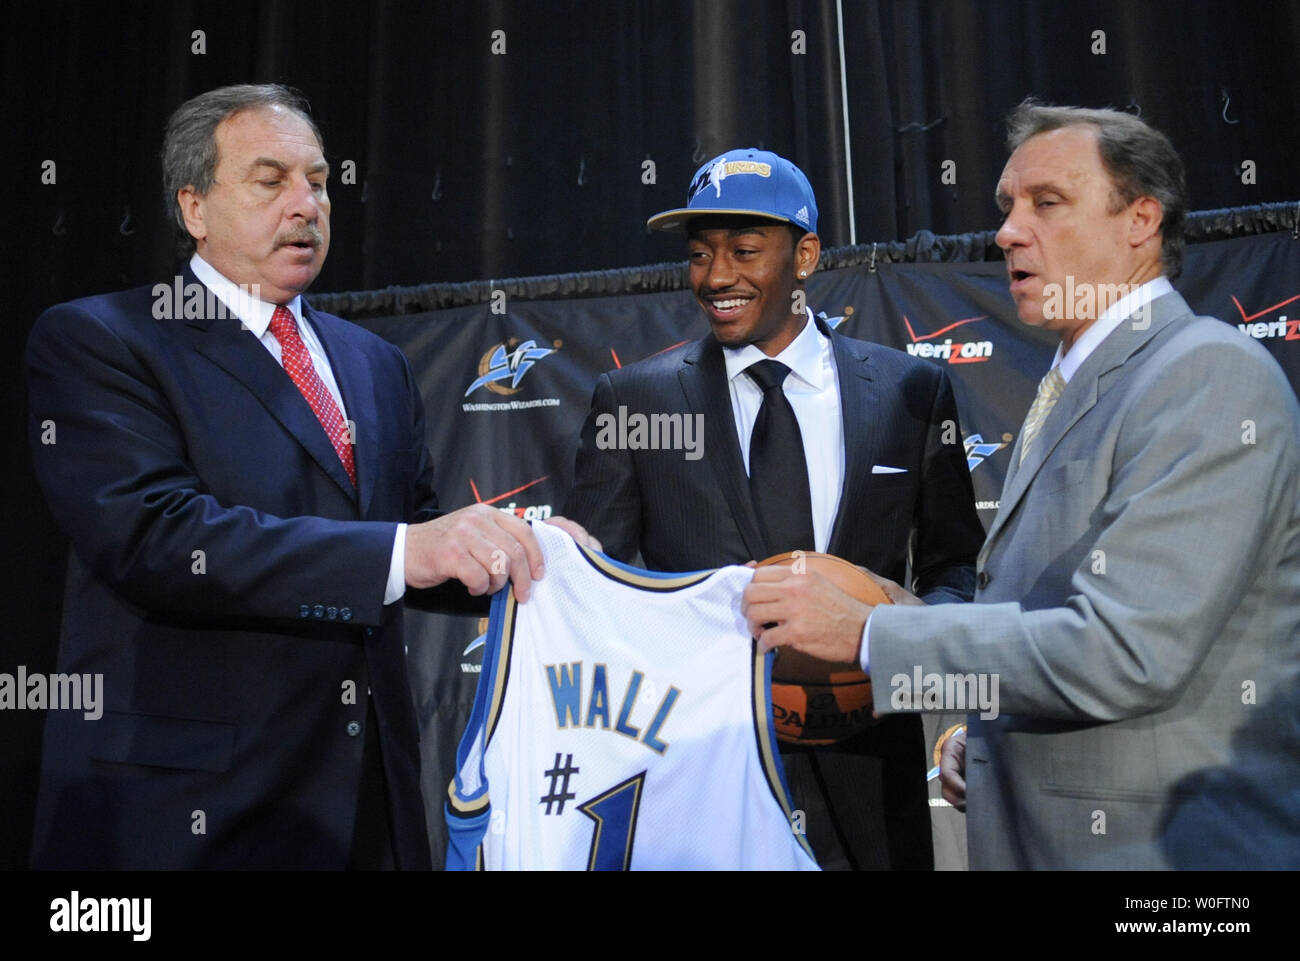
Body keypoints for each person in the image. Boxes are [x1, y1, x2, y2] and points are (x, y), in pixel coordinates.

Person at [25, 83, 593, 869]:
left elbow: (416, 538)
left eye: (319, 181)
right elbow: (157, 535)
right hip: (188, 816)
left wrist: (518, 548)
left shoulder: (374, 364)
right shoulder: (104, 341)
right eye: (270, 180)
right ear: (193, 207)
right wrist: (409, 550)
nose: (306, 204)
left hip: (366, 808)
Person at [744, 102, 1300, 868]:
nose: (1008, 231)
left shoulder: (1205, 374)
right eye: (1007, 207)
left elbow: (1125, 650)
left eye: (1048, 203)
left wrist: (870, 633)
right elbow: (1046, 619)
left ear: (1141, 220)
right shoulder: (1078, 381)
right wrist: (994, 739)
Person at [565, 148, 985, 869]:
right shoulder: (635, 401)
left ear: (807, 254)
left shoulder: (910, 391)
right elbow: (593, 593)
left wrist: (942, 704)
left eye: (744, 250)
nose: (716, 276)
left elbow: (954, 569)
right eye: (700, 254)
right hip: (701, 782)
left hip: (873, 776)